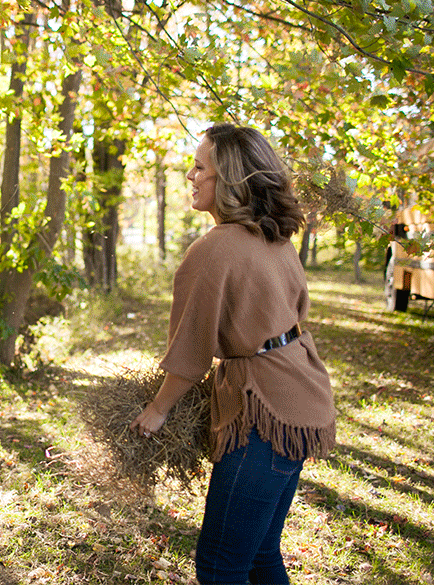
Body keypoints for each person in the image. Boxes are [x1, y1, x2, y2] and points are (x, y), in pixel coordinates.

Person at [131, 123, 336, 584]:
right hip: (301, 394)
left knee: (220, 565)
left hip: (266, 412)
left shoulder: (214, 249)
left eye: (199, 167)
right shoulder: (274, 235)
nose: (190, 176)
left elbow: (191, 351)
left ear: (229, 178)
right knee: (261, 554)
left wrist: (157, 410)